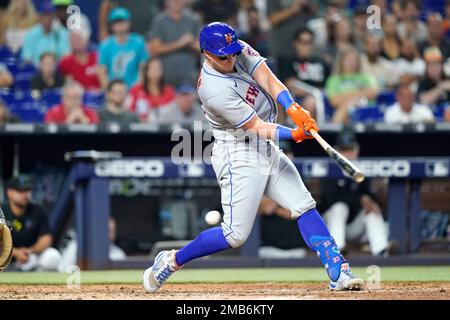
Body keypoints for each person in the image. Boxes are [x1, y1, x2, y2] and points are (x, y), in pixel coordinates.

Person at [142, 22, 363, 294]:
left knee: (303, 205)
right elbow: (256, 127)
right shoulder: (213, 89)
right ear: (206, 54)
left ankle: (338, 271)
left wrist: (292, 107)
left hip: (265, 146)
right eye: (224, 55)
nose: (231, 58)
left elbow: (268, 78)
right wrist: (294, 134)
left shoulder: (235, 48)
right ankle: (172, 260)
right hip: (239, 153)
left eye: (233, 51)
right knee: (234, 235)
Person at [320, 130, 390, 257]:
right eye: (344, 150)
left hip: (353, 226)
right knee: (340, 208)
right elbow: (329, 200)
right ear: (336, 151)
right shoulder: (329, 169)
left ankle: (381, 252)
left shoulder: (362, 170)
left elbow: (370, 197)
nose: (348, 154)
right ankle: (337, 253)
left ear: (357, 150)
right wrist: (359, 199)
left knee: (371, 211)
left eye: (351, 150)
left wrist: (368, 200)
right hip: (331, 224)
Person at [2, 174, 61, 271]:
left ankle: (39, 284)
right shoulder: (2, 211)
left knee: (52, 256)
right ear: (10, 193)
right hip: (6, 258)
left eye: (27, 190)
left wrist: (31, 250)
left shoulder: (37, 210)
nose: (25, 194)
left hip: (29, 257)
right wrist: (16, 252)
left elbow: (46, 238)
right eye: (21, 191)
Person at [148, 0, 201, 87]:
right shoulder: (159, 20)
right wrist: (179, 44)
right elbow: (154, 49)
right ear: (166, 2)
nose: (176, 2)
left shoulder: (194, 20)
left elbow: (203, 49)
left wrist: (191, 43)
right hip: (165, 75)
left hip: (189, 75)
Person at [98, 7, 149, 88]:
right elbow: (102, 72)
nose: (120, 26)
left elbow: (143, 68)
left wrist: (137, 89)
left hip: (134, 89)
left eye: (122, 22)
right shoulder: (105, 45)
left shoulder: (139, 42)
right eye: (116, 23)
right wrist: (110, 90)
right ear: (111, 26)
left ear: (129, 23)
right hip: (113, 91)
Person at [325, 46, 379, 123]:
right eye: (349, 60)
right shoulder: (334, 79)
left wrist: (346, 96)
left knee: (350, 103)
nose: (352, 63)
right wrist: (358, 93)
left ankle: (335, 129)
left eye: (355, 60)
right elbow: (334, 101)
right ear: (341, 61)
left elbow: (373, 93)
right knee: (348, 105)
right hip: (344, 110)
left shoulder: (366, 77)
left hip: (366, 108)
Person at [57, 217, 126, 273]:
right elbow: (62, 270)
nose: (110, 235)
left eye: (113, 232)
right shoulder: (76, 246)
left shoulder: (118, 253)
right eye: (107, 230)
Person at [20, 0, 69, 66]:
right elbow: (26, 58)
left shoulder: (63, 33)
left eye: (50, 14)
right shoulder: (31, 34)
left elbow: (66, 56)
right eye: (44, 14)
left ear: (54, 16)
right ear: (39, 16)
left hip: (57, 71)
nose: (47, 18)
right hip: (36, 71)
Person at [267, 0, 316, 66]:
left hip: (303, 50)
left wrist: (307, 4)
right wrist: (294, 8)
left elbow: (315, 11)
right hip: (282, 49)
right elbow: (272, 20)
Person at [128, 58, 176, 122]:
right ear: (146, 71)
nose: (156, 71)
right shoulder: (136, 89)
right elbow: (129, 110)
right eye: (153, 69)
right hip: (140, 126)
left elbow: (173, 112)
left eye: (159, 69)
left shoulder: (169, 90)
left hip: (163, 126)